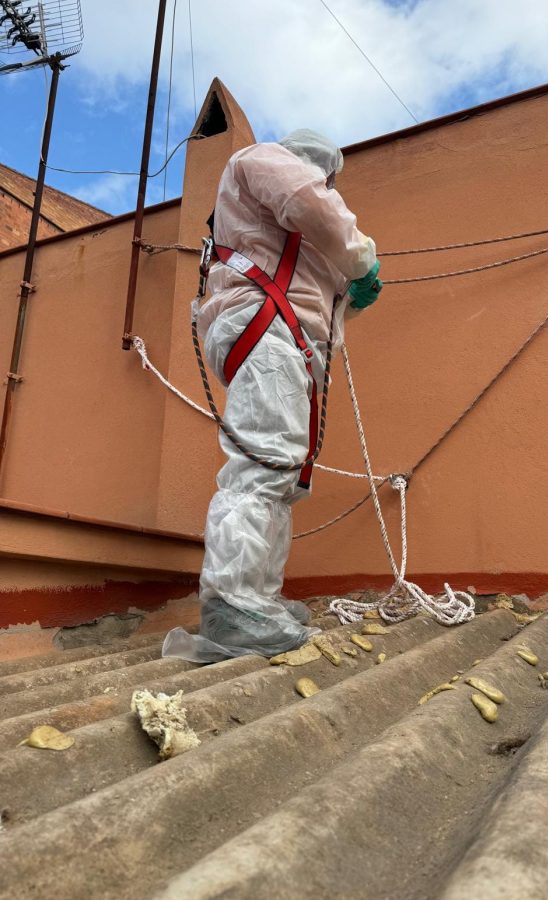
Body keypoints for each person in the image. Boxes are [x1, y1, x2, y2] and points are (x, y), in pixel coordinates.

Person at [163, 129, 382, 663]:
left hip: (285, 338)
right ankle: (232, 605)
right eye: (327, 178)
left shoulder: (286, 229)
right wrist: (363, 260)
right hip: (265, 325)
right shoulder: (264, 161)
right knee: (263, 464)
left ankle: (257, 601)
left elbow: (319, 299)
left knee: (281, 474)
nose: (326, 186)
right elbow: (311, 204)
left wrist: (352, 296)